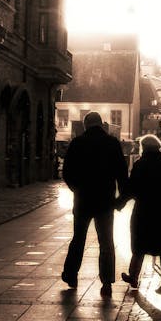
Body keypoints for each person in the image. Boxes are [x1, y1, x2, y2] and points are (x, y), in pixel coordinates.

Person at [61, 111, 127, 296]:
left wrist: (76, 189)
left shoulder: (77, 143)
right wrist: (121, 199)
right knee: (106, 242)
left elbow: (67, 172)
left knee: (78, 239)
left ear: (85, 125)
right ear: (101, 124)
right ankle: (107, 282)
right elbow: (122, 173)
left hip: (83, 200)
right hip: (105, 200)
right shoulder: (112, 143)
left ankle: (71, 275)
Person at [118, 134, 161, 294]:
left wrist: (119, 203)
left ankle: (133, 277)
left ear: (143, 148)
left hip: (144, 211)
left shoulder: (140, 165)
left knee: (139, 245)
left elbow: (132, 188)